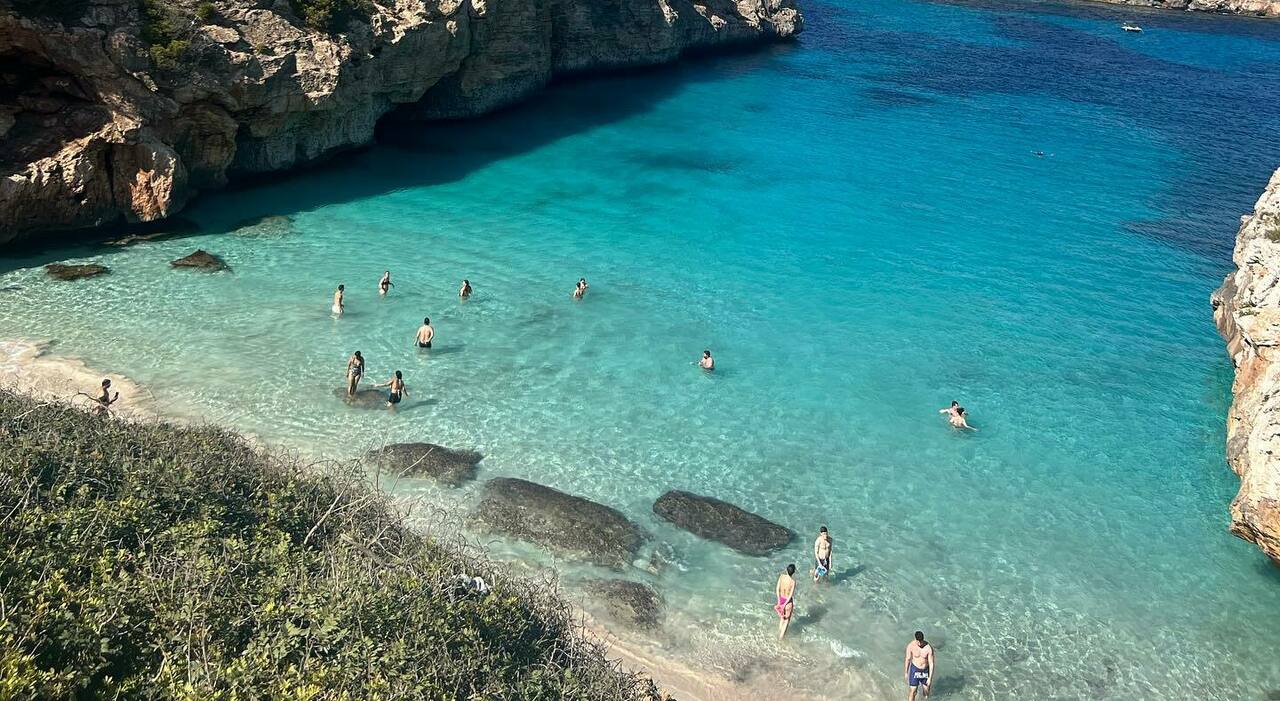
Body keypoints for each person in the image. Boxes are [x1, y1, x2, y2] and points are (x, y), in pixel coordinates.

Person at [905, 631, 936, 700]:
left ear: (923, 639)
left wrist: (930, 678)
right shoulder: (911, 646)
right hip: (915, 670)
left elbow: (931, 664)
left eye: (921, 641)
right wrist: (906, 672)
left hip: (925, 671)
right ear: (915, 639)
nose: (919, 643)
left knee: (926, 692)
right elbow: (907, 659)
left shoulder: (928, 648)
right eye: (918, 641)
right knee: (913, 691)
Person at [774, 563, 797, 640]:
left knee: (782, 618)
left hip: (781, 598)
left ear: (786, 570)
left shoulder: (781, 577)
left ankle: (779, 633)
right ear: (793, 572)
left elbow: (777, 589)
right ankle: (781, 638)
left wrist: (779, 602)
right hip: (788, 602)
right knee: (786, 620)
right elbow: (790, 595)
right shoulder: (793, 582)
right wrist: (784, 605)